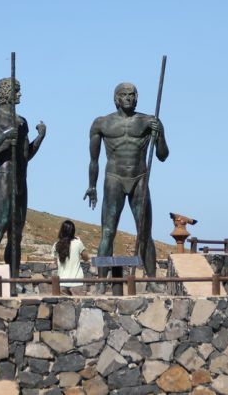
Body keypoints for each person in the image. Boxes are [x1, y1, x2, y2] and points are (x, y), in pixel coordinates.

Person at [84, 82, 168, 292]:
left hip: (139, 178)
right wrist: (92, 186)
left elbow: (163, 156)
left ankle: (151, 280)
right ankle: (102, 283)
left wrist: (159, 137)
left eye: (133, 94)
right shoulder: (101, 123)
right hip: (114, 178)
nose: (130, 98)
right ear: (116, 98)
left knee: (145, 232)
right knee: (108, 232)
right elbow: (93, 160)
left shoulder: (149, 121)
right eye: (125, 95)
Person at [0, 78, 46, 269]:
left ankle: (13, 280)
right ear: (6, 93)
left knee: (16, 234)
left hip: (20, 180)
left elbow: (25, 157)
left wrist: (39, 138)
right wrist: (4, 137)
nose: (19, 95)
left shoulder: (22, 122)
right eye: (16, 91)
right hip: (3, 177)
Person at [51, 220, 89, 295]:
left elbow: (55, 263)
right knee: (78, 305)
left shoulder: (56, 245)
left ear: (62, 231)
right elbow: (86, 258)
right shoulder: (78, 243)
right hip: (77, 281)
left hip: (62, 282)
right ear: (73, 231)